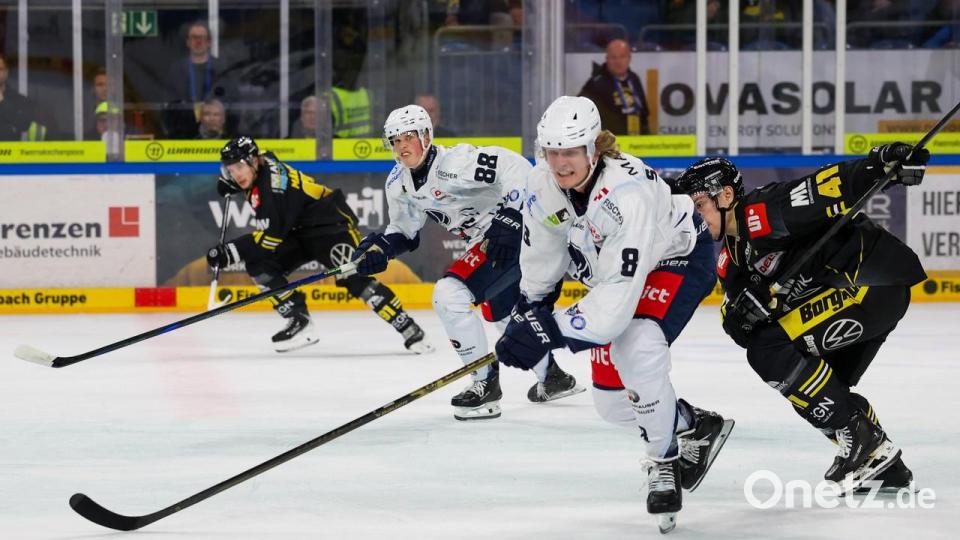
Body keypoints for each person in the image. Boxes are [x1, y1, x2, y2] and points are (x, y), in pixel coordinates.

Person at [494, 96, 733, 533]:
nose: (560, 163)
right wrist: (529, 309)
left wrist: (547, 331)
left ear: (594, 149)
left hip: (677, 256)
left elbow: (615, 307)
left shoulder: (628, 194)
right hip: (616, 273)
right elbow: (542, 253)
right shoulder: (541, 182)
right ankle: (694, 424)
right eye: (552, 151)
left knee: (638, 343)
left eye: (570, 151)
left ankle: (663, 461)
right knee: (612, 404)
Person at [673, 146, 930, 492]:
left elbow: (828, 186)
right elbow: (740, 323)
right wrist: (741, 318)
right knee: (806, 388)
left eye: (699, 206)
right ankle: (882, 462)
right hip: (854, 296)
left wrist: (877, 165)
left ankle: (863, 440)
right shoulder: (731, 261)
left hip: (868, 284)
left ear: (727, 195)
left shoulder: (761, 213)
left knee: (770, 353)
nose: (695, 218)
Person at [351, 104, 584, 421]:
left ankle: (484, 384)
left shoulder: (456, 163)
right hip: (493, 241)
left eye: (408, 137)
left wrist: (511, 216)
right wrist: (381, 248)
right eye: (395, 140)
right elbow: (405, 231)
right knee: (502, 312)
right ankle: (553, 378)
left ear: (427, 136)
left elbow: (516, 167)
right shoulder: (398, 183)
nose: (402, 146)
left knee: (450, 295)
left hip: (520, 232)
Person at [208, 136, 434, 354]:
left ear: (253, 161)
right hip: (299, 232)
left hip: (332, 227)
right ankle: (299, 320)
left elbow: (271, 238)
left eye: (239, 167)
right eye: (230, 169)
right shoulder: (262, 162)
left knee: (354, 278)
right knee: (259, 264)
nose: (236, 175)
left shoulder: (271, 189)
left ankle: (409, 328)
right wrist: (232, 184)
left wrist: (232, 251)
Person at [164, 22, 230, 138]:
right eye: (194, 37)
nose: (198, 42)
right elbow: (170, 104)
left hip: (217, 133)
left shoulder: (221, 67)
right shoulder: (176, 70)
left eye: (202, 38)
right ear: (188, 42)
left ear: (209, 42)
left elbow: (231, 98)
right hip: (184, 133)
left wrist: (215, 109)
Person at [577, 39, 650, 136]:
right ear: (607, 59)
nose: (618, 61)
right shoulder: (596, 83)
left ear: (629, 58)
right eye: (613, 57)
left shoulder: (634, 78)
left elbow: (644, 113)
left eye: (622, 57)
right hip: (609, 143)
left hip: (635, 141)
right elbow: (580, 114)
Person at [0, 54, 34, 141]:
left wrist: (2, 102)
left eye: (0, 69)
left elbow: (25, 125)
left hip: (9, 152)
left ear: (6, 72)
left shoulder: (19, 99)